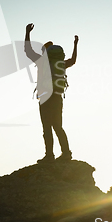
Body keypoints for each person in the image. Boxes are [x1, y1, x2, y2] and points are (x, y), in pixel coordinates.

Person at [24, 23, 79, 163]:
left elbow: (28, 51)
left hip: (44, 99)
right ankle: (66, 153)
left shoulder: (42, 62)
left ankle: (49, 156)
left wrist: (27, 32)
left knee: (47, 129)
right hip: (58, 98)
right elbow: (73, 60)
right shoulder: (61, 64)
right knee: (58, 127)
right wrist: (75, 44)